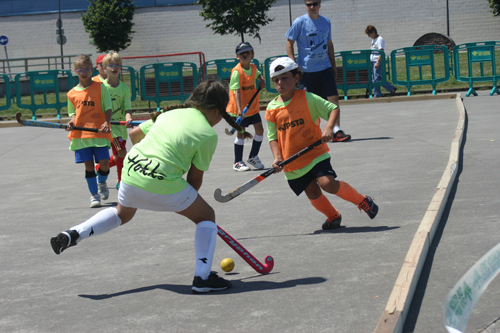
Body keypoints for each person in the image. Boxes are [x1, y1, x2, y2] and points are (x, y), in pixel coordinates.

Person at [50, 80, 251, 293]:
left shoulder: (169, 113)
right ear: (217, 111)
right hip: (163, 182)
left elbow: (134, 135)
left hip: (131, 172)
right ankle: (202, 278)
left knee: (122, 214)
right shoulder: (208, 134)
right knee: (206, 216)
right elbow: (194, 180)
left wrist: (150, 162)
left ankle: (74, 233)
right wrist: (184, 202)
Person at [265, 57, 378, 230]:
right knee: (312, 191)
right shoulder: (272, 109)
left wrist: (329, 128)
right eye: (276, 80)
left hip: (314, 152)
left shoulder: (308, 98)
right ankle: (333, 216)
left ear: (296, 78)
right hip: (292, 160)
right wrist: (277, 158)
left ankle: (363, 201)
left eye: (285, 77)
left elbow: (333, 108)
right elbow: (272, 136)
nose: (280, 83)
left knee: (328, 184)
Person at [285, 0, 351, 143]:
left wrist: (333, 66)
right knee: (309, 103)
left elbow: (329, 44)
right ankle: (310, 132)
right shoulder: (300, 22)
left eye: (315, 3)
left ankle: (336, 130)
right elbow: (289, 42)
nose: (312, 7)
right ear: (306, 5)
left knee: (333, 98)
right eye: (309, 4)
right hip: (306, 71)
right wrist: (293, 64)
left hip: (325, 67)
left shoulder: (326, 22)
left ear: (320, 4)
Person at [66, 54, 113, 208]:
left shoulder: (101, 87)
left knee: (104, 164)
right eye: (80, 69)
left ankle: (101, 182)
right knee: (88, 166)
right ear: (75, 71)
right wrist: (71, 122)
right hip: (81, 135)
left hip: (99, 132)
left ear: (92, 69)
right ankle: (94, 195)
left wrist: (107, 122)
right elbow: (73, 114)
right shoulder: (71, 93)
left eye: (87, 69)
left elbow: (108, 107)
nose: (84, 72)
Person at [95, 52, 133, 190]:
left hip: (121, 128)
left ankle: (99, 167)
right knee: (122, 153)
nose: (114, 68)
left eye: (117, 65)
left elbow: (127, 108)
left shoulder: (124, 88)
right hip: (109, 128)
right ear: (104, 68)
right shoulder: (101, 87)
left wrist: (128, 119)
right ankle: (120, 181)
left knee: (119, 156)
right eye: (111, 65)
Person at [227, 42, 267, 171]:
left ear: (252, 55)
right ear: (237, 57)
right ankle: (237, 162)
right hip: (239, 109)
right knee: (241, 134)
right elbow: (236, 91)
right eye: (241, 53)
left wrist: (261, 80)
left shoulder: (254, 68)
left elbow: (258, 74)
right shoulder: (236, 72)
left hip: (252, 108)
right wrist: (239, 109)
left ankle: (253, 156)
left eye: (247, 53)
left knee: (260, 131)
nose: (245, 55)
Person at [365, 25, 397, 98]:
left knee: (377, 78)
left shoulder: (380, 39)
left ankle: (391, 88)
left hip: (377, 61)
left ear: (373, 32)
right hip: (373, 61)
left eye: (369, 34)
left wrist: (378, 62)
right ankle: (377, 94)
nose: (369, 36)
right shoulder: (373, 40)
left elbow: (381, 52)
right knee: (374, 79)